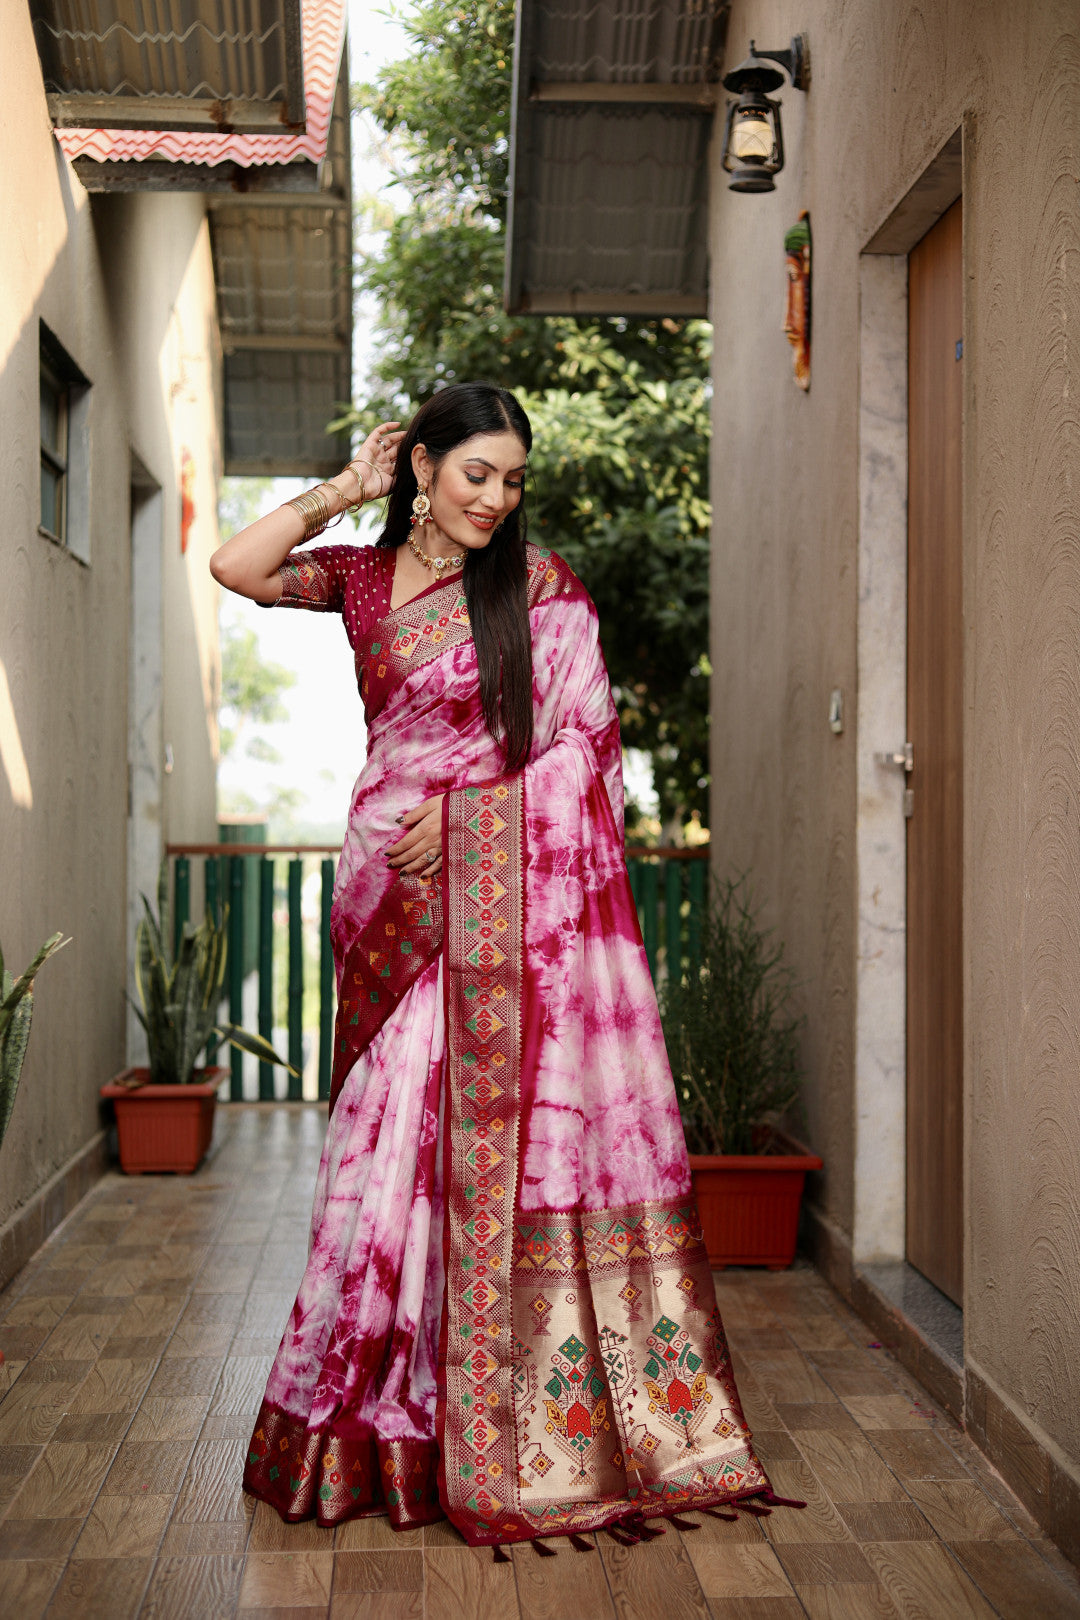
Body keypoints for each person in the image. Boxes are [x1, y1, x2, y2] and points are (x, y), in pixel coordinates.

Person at [211, 382, 788, 1553]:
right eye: (476, 472)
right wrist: (342, 490)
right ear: (423, 466)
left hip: (497, 910)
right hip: (387, 900)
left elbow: (588, 747)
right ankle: (368, 1420)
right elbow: (234, 566)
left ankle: (470, 1420)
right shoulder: (363, 580)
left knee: (469, 1160)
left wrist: (480, 815)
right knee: (382, 1167)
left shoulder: (543, 590)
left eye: (513, 480)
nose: (496, 498)